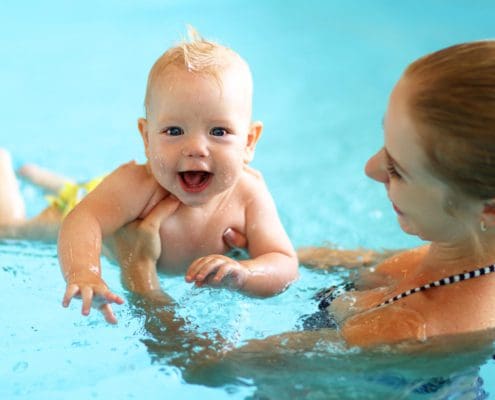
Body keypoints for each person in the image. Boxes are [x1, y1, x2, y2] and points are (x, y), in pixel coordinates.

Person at [126, 40, 495, 351]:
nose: (370, 168)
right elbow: (359, 264)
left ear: (489, 209)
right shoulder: (462, 250)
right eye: (384, 143)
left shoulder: (405, 331)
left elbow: (207, 368)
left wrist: (138, 274)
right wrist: (250, 255)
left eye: (398, 169)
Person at [57, 27, 300, 324]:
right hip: (90, 199)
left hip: (112, 207)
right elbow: (83, 219)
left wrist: (247, 274)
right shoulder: (136, 185)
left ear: (249, 142)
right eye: (174, 131)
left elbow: (284, 262)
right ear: (147, 139)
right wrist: (85, 271)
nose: (196, 148)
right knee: (15, 229)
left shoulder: (249, 193)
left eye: (219, 131)